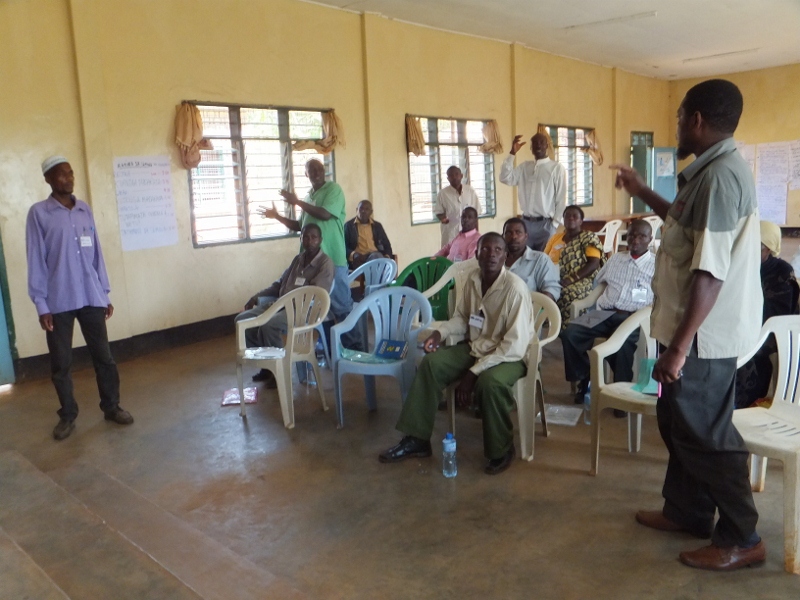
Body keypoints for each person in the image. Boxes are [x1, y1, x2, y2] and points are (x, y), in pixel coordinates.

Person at [611, 79, 766, 571]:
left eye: (680, 116)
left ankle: (742, 536)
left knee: (704, 433)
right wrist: (642, 191)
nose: (677, 124)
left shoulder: (720, 178)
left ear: (696, 120)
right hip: (688, 330)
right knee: (677, 422)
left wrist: (679, 349)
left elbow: (710, 272)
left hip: (703, 336)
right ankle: (688, 511)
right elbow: (682, 227)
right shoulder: (709, 173)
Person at [378, 233, 533, 475]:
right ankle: (417, 439)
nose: (491, 255)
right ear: (476, 254)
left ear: (506, 256)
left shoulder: (515, 289)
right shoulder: (473, 280)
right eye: (485, 249)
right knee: (431, 364)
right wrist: (439, 333)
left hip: (510, 355)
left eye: (497, 250)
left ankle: (501, 449)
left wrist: (473, 373)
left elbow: (513, 346)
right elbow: (462, 318)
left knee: (490, 384)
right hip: (477, 346)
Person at [26, 156, 134, 441]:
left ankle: (112, 407)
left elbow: (97, 254)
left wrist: (104, 293)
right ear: (48, 179)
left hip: (90, 296)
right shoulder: (39, 214)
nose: (68, 178)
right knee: (61, 363)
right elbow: (35, 260)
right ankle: (68, 415)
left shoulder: (85, 210)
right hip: (58, 300)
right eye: (61, 175)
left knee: (104, 358)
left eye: (70, 173)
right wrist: (41, 304)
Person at [261, 158, 362, 349]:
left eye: (319, 169)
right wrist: (277, 216)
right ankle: (329, 350)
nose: (316, 172)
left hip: (333, 260)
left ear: (324, 171)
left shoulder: (333, 189)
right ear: (306, 174)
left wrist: (296, 202)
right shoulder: (308, 196)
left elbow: (324, 214)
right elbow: (300, 226)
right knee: (319, 309)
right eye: (311, 170)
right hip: (310, 263)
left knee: (342, 308)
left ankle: (356, 350)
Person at [560, 219, 654, 405]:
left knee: (622, 346)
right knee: (570, 333)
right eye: (632, 235)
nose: (635, 240)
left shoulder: (656, 265)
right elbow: (600, 282)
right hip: (604, 312)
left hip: (633, 317)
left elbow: (660, 296)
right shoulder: (616, 259)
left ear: (650, 239)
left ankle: (621, 393)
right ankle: (586, 378)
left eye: (641, 236)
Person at [235, 223, 334, 386]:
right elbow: (279, 284)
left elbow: (316, 294)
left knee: (269, 325)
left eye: (314, 237)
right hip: (280, 304)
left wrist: (288, 302)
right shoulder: (298, 259)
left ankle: (279, 372)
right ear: (301, 239)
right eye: (305, 237)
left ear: (320, 240)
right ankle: (267, 366)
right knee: (243, 320)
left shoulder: (325, 263)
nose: (309, 241)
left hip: (302, 310)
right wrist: (256, 297)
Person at [735, 220, 799, 408]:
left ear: (768, 249)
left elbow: (775, 315)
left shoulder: (781, 272)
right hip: (739, 332)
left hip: (767, 339)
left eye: (757, 246)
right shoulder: (740, 266)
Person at [500, 133, 567, 251]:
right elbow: (505, 178)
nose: (538, 145)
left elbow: (561, 198)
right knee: (524, 257)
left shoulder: (556, 168)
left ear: (547, 146)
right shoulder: (524, 167)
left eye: (541, 142)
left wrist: (554, 224)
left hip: (546, 225)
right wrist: (512, 153)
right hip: (525, 224)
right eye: (535, 143)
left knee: (544, 259)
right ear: (531, 148)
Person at [547, 206, 605, 330]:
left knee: (568, 294)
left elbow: (594, 263)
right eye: (567, 216)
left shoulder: (588, 237)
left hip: (581, 279)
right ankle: (544, 325)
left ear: (581, 221)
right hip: (552, 276)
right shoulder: (555, 238)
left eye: (575, 216)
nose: (571, 218)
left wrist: (571, 279)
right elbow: (544, 259)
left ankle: (570, 330)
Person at [502, 217, 561, 302]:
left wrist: (536, 307)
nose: (513, 236)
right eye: (508, 233)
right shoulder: (496, 260)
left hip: (529, 307)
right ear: (503, 237)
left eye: (518, 232)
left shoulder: (540, 259)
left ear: (526, 236)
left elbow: (551, 289)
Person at [434, 166, 480, 247]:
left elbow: (476, 214)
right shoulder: (443, 194)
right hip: (451, 234)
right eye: (451, 175)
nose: (454, 177)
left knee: (468, 252)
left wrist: (477, 234)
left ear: (461, 176)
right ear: (448, 178)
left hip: (469, 234)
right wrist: (442, 218)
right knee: (449, 253)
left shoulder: (470, 191)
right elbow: (438, 212)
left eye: (456, 174)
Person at [344, 200, 394, 269]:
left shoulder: (377, 226)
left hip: (375, 256)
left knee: (376, 257)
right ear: (357, 210)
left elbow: (387, 245)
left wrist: (386, 257)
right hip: (359, 259)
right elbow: (343, 246)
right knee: (377, 262)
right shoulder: (349, 226)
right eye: (361, 208)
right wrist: (354, 254)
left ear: (371, 212)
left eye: (367, 209)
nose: (363, 211)